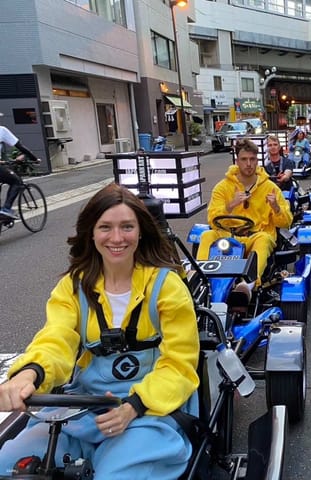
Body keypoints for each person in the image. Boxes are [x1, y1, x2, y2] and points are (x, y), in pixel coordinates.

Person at [0, 183, 200, 479]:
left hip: (152, 412)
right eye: (105, 227)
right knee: (9, 462)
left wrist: (133, 406)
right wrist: (29, 373)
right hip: (81, 412)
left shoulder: (166, 286)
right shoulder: (73, 286)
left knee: (114, 474)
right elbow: (56, 339)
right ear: (91, 233)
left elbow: (180, 364)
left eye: (127, 227)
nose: (117, 238)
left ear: (141, 231)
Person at [202, 137, 293, 299]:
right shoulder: (222, 188)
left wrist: (276, 208)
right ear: (237, 161)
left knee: (264, 239)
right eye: (244, 159)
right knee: (207, 235)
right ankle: (200, 279)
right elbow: (212, 219)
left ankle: (248, 284)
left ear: (257, 160)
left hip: (255, 236)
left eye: (252, 159)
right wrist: (230, 205)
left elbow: (286, 222)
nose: (249, 164)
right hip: (228, 236)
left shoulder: (270, 188)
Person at [0, 116, 41, 219]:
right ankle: (6, 209)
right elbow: (21, 147)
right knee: (16, 181)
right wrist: (35, 159)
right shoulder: (2, 130)